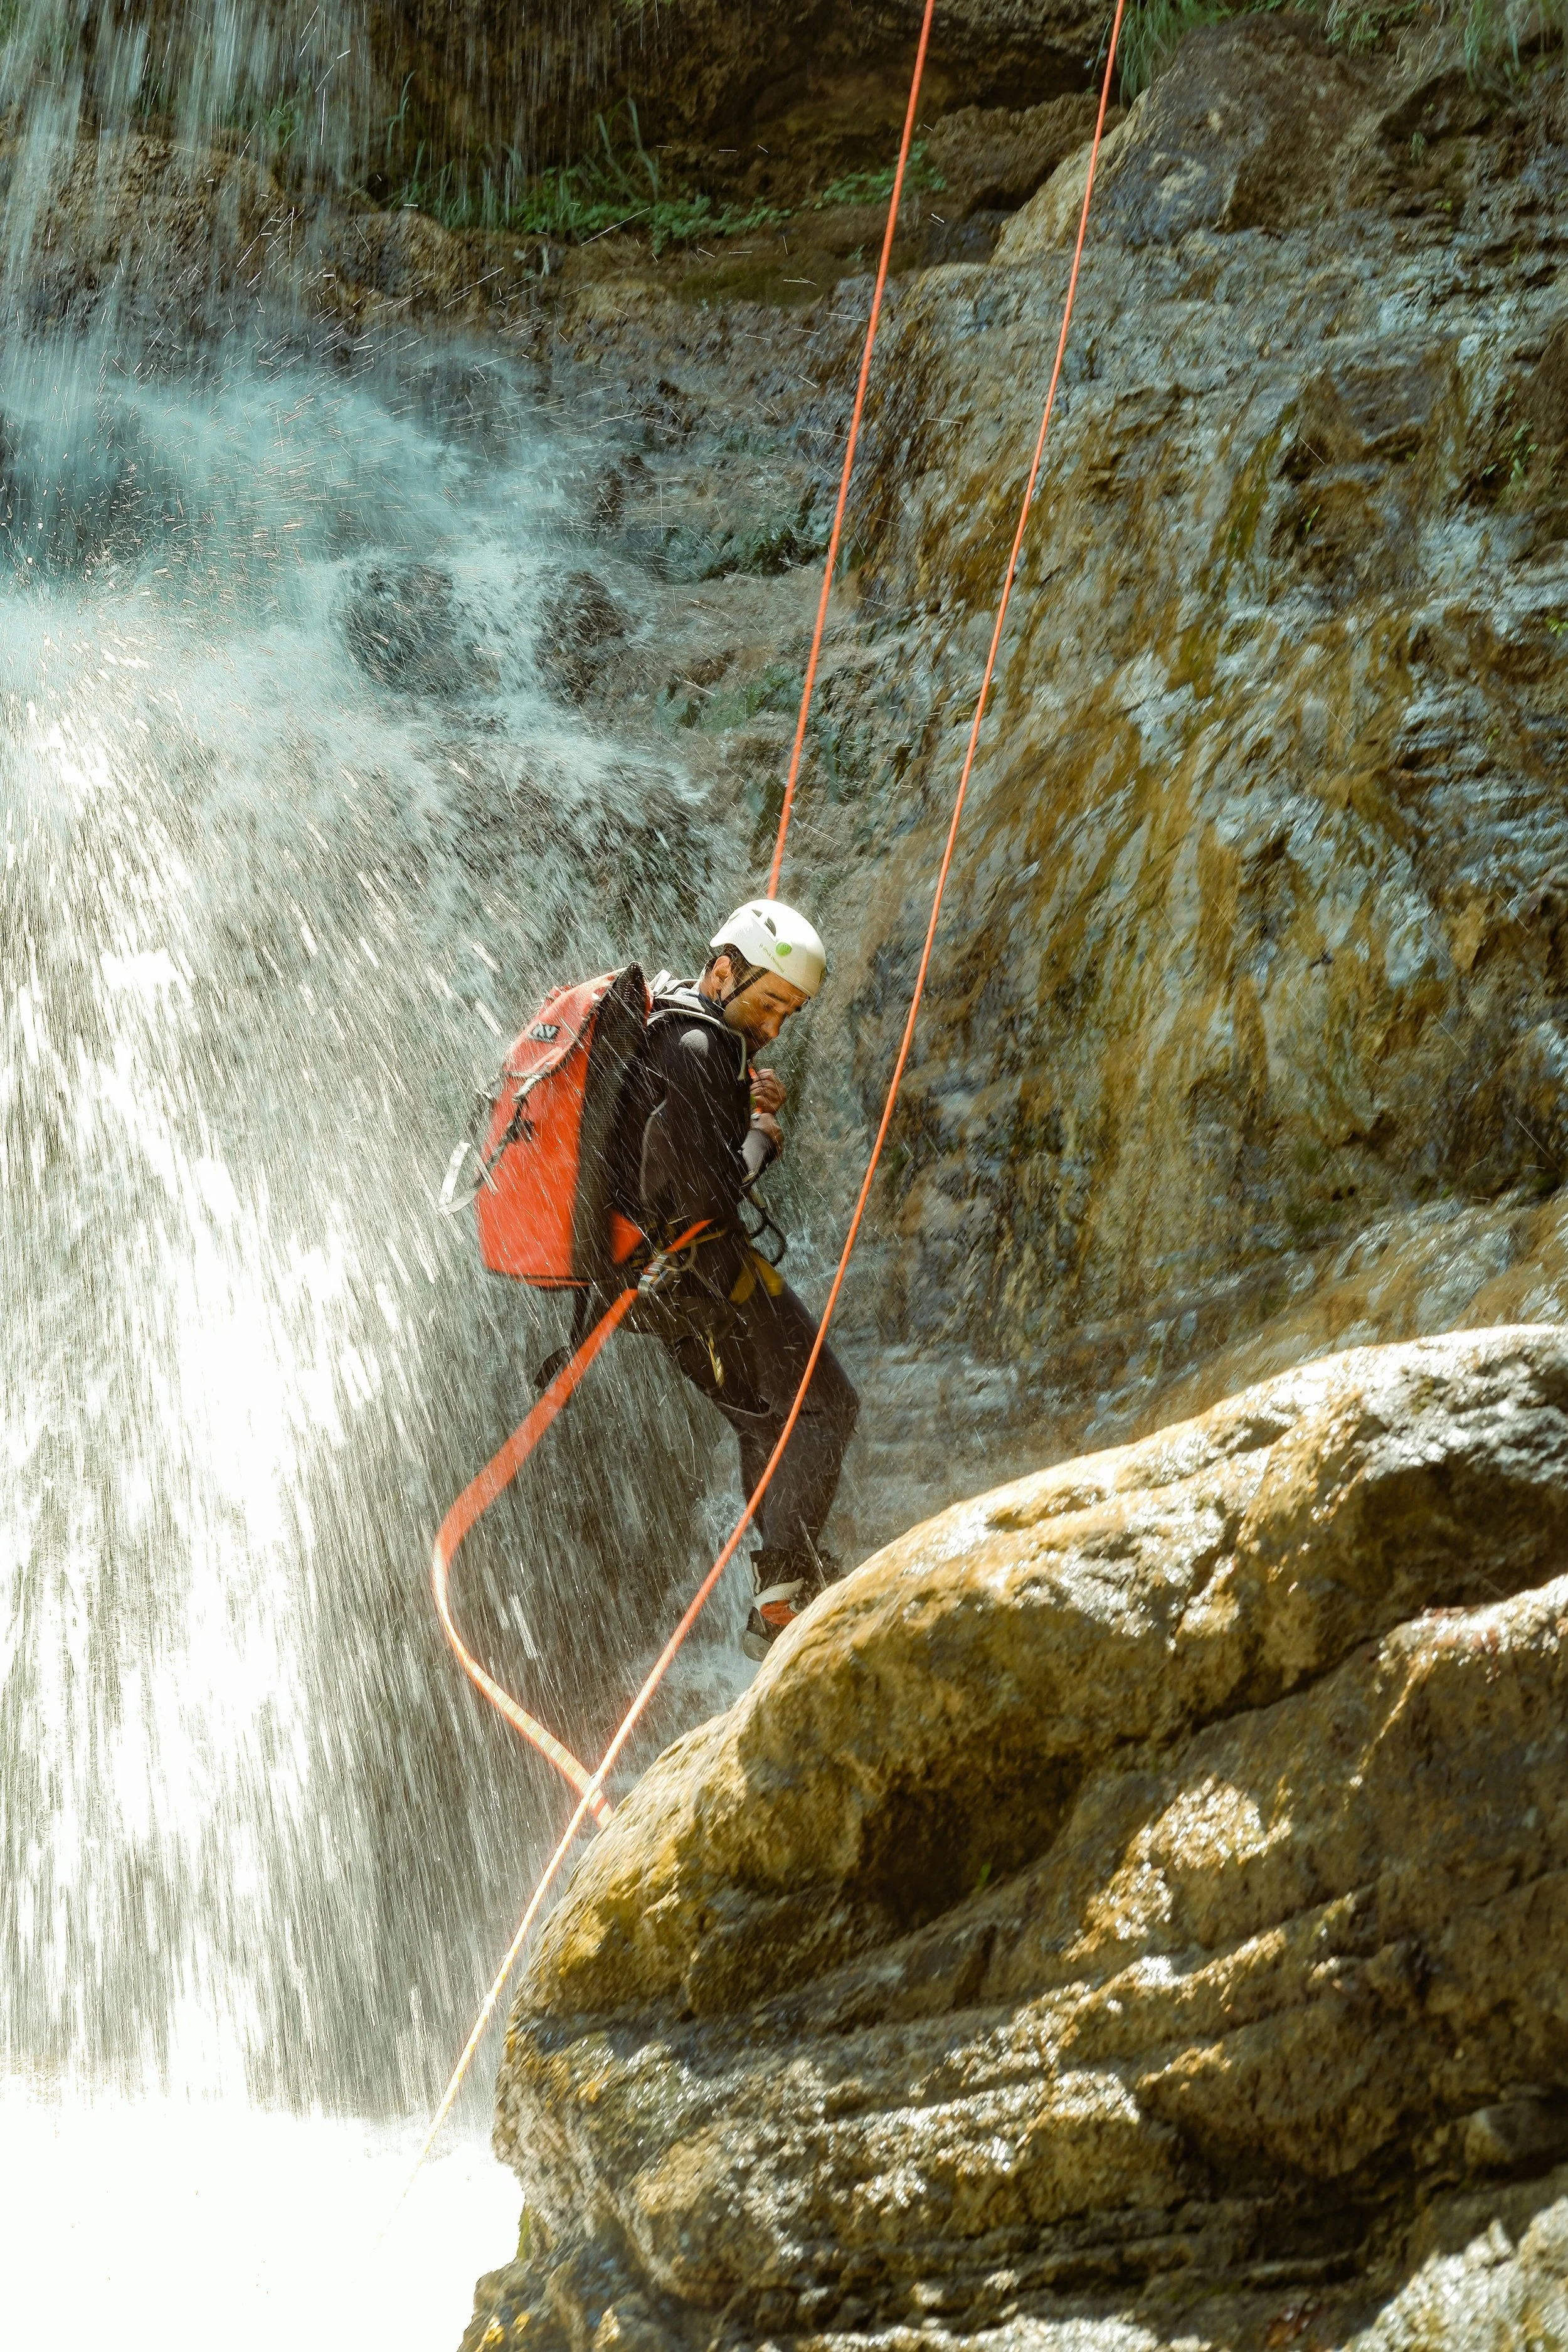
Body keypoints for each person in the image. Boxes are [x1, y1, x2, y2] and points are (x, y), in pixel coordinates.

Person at [616, 898, 859, 1659]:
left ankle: (780, 1600)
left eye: (792, 1012)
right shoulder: (692, 1046)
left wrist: (743, 1112)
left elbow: (678, 1161)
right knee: (824, 1408)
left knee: (766, 1421)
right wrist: (759, 1137)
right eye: (770, 1004)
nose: (777, 1027)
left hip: (664, 1292)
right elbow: (711, 1199)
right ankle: (787, 1586)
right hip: (706, 1284)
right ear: (723, 969)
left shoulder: (676, 1032)